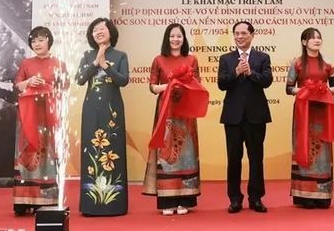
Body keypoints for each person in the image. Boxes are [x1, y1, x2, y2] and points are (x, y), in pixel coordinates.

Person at [143, 23, 208, 215]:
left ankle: (185, 200)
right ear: (167, 38)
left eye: (179, 36)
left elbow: (197, 84)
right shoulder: (158, 60)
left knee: (186, 153)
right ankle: (167, 201)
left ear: (184, 39)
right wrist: (170, 85)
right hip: (165, 111)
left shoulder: (191, 59)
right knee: (166, 152)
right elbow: (152, 87)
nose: (175, 39)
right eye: (172, 36)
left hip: (185, 112)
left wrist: (182, 85)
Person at [75, 18, 130, 216]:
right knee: (92, 151)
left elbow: (123, 81)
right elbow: (80, 79)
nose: (98, 32)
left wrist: (106, 65)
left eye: (102, 29)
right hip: (91, 110)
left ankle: (114, 204)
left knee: (112, 150)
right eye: (95, 30)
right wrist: (95, 61)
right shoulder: (87, 54)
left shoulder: (120, 55)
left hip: (112, 110)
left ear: (110, 32)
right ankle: (91, 204)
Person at [217, 21, 273, 213]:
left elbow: (267, 81)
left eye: (243, 33)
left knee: (256, 158)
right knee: (234, 159)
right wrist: (236, 72)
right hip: (232, 117)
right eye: (236, 33)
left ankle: (256, 198)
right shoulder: (226, 59)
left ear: (252, 35)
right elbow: (221, 84)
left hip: (256, 116)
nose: (239, 37)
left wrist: (250, 73)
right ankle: (235, 198)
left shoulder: (262, 57)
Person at [13, 26, 69, 216]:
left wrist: (46, 85)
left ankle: (49, 199)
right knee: (29, 150)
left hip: (49, 116)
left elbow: (65, 86)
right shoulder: (26, 63)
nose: (37, 44)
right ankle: (25, 200)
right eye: (34, 41)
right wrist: (29, 83)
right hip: (29, 116)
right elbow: (17, 85)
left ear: (49, 41)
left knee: (48, 155)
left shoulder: (59, 63)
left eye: (41, 40)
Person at [285, 28, 334, 209]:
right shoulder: (297, 64)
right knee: (304, 147)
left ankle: (323, 193)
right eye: (312, 38)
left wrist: (322, 90)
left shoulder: (328, 64)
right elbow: (289, 88)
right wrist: (306, 91)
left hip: (323, 111)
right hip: (304, 111)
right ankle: (304, 195)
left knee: (323, 151)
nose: (316, 41)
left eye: (319, 38)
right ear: (304, 42)